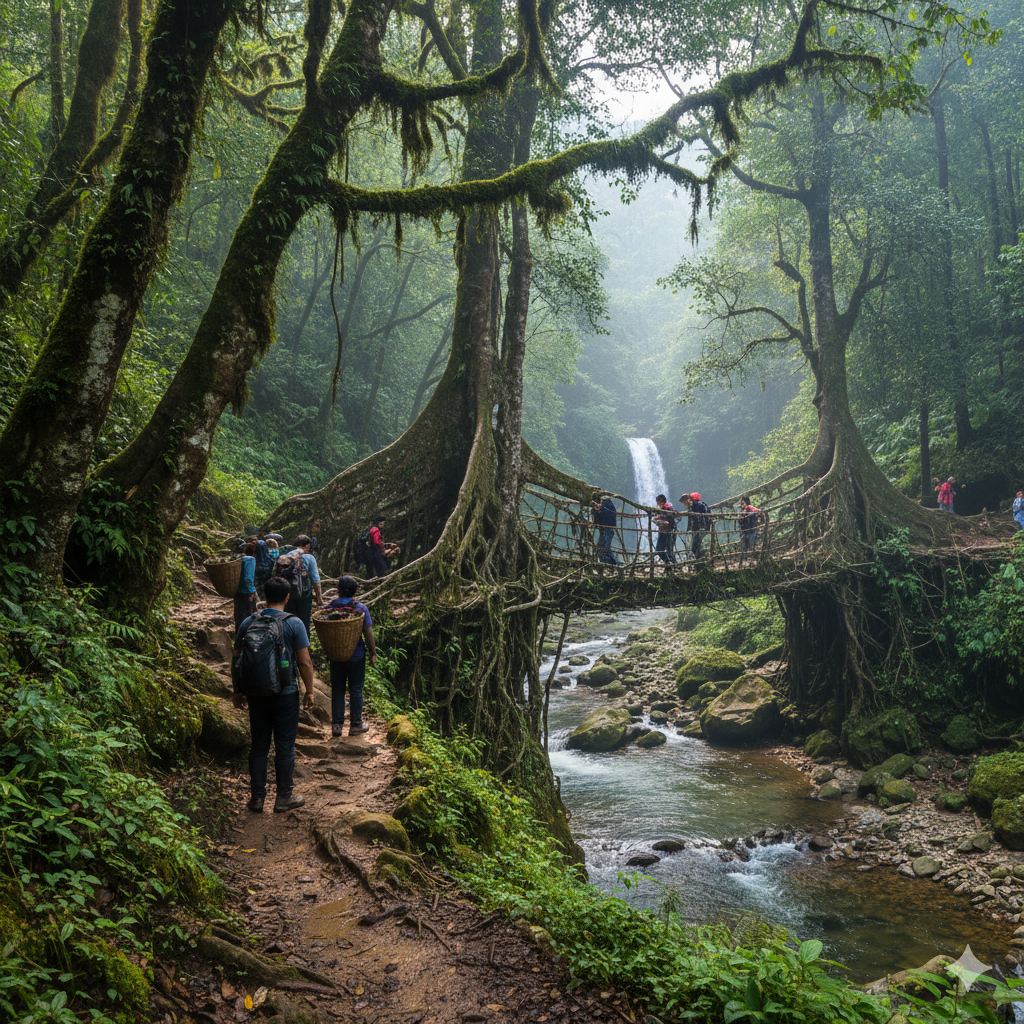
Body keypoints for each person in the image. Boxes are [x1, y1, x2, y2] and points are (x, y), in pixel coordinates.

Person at [232, 576, 315, 813]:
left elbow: (236, 658)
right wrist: (309, 691)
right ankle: (283, 798)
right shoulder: (294, 623)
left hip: (256, 693)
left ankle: (257, 798)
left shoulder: (248, 622)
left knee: (259, 745)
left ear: (264, 596)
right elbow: (305, 662)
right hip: (286, 693)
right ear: (288, 597)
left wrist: (237, 691)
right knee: (284, 746)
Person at [322, 575, 376, 737]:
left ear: (338, 590)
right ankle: (355, 725)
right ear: (355, 591)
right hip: (356, 655)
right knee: (356, 689)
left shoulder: (331, 607)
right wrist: (373, 652)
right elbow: (368, 632)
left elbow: (323, 622)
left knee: (337, 689)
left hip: (336, 655)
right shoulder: (360, 609)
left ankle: (337, 726)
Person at [288, 534, 322, 637]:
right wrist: (319, 598)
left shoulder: (286, 555)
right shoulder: (309, 558)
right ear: (307, 546)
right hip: (304, 595)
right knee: (303, 622)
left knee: (289, 622)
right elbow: (315, 581)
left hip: (287, 596)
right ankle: (304, 649)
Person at [234, 541, 258, 631]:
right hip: (246, 593)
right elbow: (248, 579)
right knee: (248, 616)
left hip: (237, 592)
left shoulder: (241, 559)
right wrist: (252, 593)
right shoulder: (250, 560)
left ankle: (238, 638)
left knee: (239, 616)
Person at [682, 492, 711, 558]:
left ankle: (699, 560)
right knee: (700, 545)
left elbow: (696, 518)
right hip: (706, 528)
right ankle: (700, 559)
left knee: (695, 547)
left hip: (699, 528)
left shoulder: (695, 505)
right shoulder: (704, 504)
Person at [592, 493, 618, 565]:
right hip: (605, 529)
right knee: (603, 547)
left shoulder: (608, 505)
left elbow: (606, 516)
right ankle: (606, 563)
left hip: (608, 529)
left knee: (605, 548)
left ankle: (610, 563)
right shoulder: (608, 506)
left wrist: (599, 509)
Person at [738, 497, 764, 565]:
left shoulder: (749, 507)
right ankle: (745, 561)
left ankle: (753, 561)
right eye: (741, 503)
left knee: (751, 546)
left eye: (743, 503)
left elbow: (758, 511)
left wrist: (749, 515)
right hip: (745, 531)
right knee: (744, 547)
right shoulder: (742, 510)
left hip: (751, 530)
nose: (741, 504)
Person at [654, 494, 677, 564]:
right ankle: (667, 564)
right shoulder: (660, 510)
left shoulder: (669, 509)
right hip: (662, 531)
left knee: (669, 550)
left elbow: (675, 516)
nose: (658, 505)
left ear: (662, 502)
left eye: (659, 503)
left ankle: (674, 566)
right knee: (659, 549)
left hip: (670, 531)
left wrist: (665, 521)